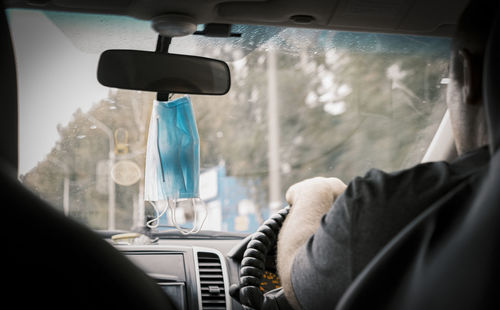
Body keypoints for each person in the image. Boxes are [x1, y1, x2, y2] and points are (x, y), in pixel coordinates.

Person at [276, 1, 497, 309]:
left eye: (448, 79)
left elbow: (300, 287)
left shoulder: (381, 207)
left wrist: (314, 192)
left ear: (469, 75)